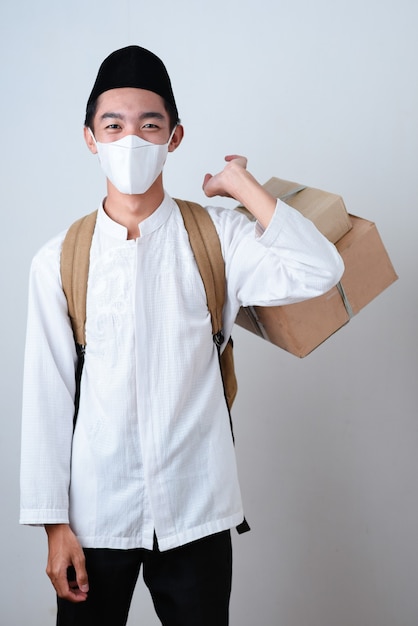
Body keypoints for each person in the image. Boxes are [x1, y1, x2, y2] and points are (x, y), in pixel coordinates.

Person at [20, 45, 344, 626]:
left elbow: (320, 271)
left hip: (197, 508)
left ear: (174, 136)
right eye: (112, 126)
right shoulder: (59, 259)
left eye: (150, 125)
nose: (131, 142)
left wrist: (242, 186)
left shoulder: (217, 237)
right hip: (97, 515)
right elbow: (46, 397)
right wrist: (54, 525)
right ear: (90, 137)